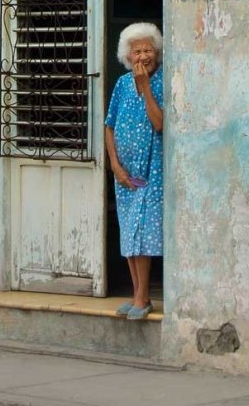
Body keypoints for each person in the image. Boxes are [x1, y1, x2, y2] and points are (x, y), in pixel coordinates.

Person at [104, 22, 163, 320]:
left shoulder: (162, 80)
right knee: (129, 234)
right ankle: (136, 294)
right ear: (127, 56)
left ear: (157, 52)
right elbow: (109, 125)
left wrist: (146, 88)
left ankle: (143, 297)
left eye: (148, 49)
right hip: (124, 174)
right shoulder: (122, 83)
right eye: (137, 50)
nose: (143, 56)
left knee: (142, 233)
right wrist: (114, 164)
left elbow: (159, 123)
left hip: (151, 171)